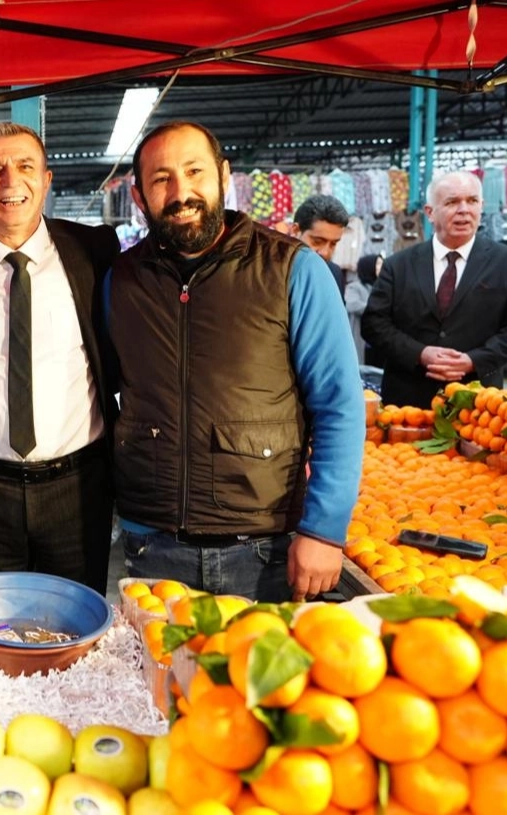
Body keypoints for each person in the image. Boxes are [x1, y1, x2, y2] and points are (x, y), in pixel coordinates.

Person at [105, 121, 364, 602]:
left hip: (263, 550)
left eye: (194, 171)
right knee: (157, 655)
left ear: (224, 176)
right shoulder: (120, 280)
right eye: (161, 179)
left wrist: (325, 530)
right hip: (153, 547)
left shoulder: (292, 269)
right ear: (139, 197)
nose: (181, 193)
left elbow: (340, 406)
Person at [0, 123, 120, 593]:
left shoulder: (93, 251)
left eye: (24, 166)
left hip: (78, 487)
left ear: (46, 179)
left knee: (76, 619)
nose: (10, 181)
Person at [361, 171, 507, 408]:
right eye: (452, 202)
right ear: (430, 212)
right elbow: (373, 324)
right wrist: (419, 354)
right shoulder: (398, 265)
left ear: (481, 206)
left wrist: (473, 360)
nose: (464, 210)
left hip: (479, 403)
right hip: (407, 402)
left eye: (472, 201)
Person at [290, 194, 350, 298]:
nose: (325, 252)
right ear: (295, 231)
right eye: (317, 242)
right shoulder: (270, 272)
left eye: (333, 244)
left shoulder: (334, 274)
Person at [344, 254, 380, 364]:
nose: (381, 267)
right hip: (360, 337)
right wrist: (377, 309)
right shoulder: (355, 287)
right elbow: (352, 304)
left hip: (377, 339)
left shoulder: (380, 287)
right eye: (378, 263)